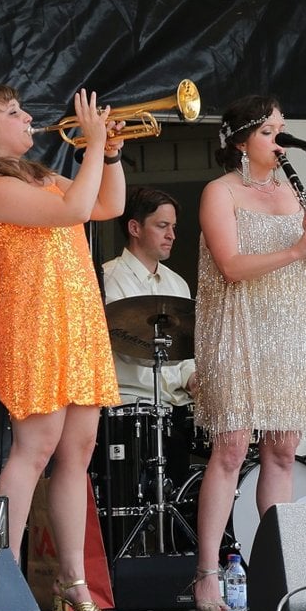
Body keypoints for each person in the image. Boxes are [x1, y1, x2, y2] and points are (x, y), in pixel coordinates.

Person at [0, 82, 125, 611]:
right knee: (35, 448)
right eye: (13, 113)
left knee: (78, 452)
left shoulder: (37, 175)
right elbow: (73, 209)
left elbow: (106, 204)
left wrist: (109, 151)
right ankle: (2, 586)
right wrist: (90, 143)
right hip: (34, 324)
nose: (27, 119)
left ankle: (73, 584)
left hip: (77, 319)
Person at [190, 94, 306, 611]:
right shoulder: (219, 192)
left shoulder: (296, 193)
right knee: (230, 448)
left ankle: (275, 569)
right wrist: (296, 248)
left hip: (288, 331)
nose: (282, 140)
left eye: (283, 129)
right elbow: (230, 265)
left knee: (281, 451)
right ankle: (208, 571)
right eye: (272, 131)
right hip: (237, 330)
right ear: (241, 140)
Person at [101, 187, 198, 485]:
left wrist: (194, 378)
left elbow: (185, 350)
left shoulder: (177, 283)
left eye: (173, 227)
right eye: (162, 226)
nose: (172, 235)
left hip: (176, 411)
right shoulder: (107, 279)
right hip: (128, 410)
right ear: (134, 228)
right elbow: (123, 348)